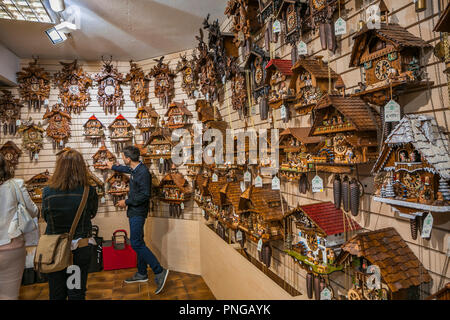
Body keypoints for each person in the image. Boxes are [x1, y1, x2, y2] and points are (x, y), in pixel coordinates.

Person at [104, 145, 169, 294]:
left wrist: (125, 202)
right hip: (134, 211)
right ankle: (141, 273)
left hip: (138, 212)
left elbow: (145, 195)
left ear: (127, 158)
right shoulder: (135, 168)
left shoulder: (143, 172)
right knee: (139, 241)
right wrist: (113, 166)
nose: (122, 159)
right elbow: (127, 170)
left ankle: (159, 271)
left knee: (136, 243)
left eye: (122, 157)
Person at [42, 149, 98, 300]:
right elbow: (92, 213)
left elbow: (46, 217)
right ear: (81, 167)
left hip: (54, 248)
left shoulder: (47, 191)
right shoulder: (89, 190)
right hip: (79, 247)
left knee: (56, 291)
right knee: (76, 290)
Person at [0, 154, 39, 300]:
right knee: (9, 296)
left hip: (11, 248)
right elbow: (32, 211)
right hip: (11, 246)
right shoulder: (16, 184)